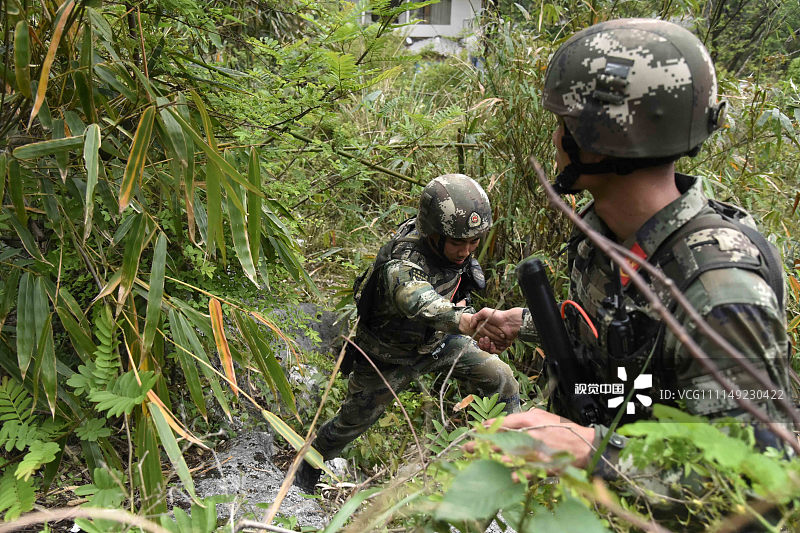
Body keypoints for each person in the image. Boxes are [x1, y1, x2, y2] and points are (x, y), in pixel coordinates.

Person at [470, 18, 792, 486]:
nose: (556, 140)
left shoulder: (719, 286)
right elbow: (630, 356)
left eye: (564, 124)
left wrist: (593, 453)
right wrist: (529, 323)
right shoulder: (609, 240)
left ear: (597, 140)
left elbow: (756, 479)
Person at [295, 174, 521, 492]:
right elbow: (419, 302)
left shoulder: (456, 243)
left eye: (474, 241)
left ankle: (513, 462)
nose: (467, 250)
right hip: (387, 357)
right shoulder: (402, 263)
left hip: (440, 343)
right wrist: (468, 323)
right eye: (458, 242)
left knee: (501, 377)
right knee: (351, 423)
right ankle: (305, 469)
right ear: (433, 233)